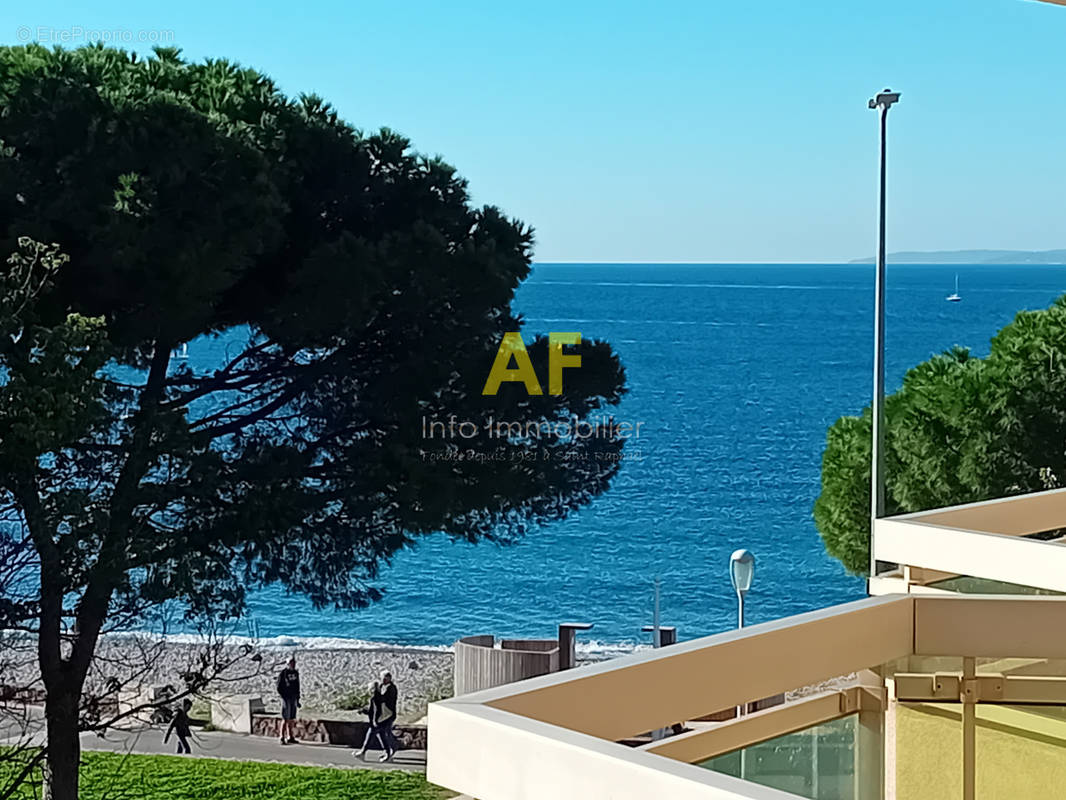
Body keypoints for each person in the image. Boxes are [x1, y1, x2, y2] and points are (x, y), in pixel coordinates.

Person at [356, 680, 385, 761]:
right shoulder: (379, 697)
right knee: (382, 737)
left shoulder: (374, 698)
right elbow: (372, 710)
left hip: (375, 722)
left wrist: (375, 721)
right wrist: (363, 710)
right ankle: (388, 752)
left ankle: (362, 752)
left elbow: (375, 710)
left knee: (369, 737)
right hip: (379, 721)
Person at [276, 656, 301, 745]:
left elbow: (297, 686)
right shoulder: (284, 673)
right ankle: (281, 736)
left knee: (291, 719)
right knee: (285, 718)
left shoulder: (295, 673)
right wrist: (283, 695)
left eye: (294, 662)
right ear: (287, 663)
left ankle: (290, 736)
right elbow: (279, 686)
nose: (293, 664)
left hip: (293, 697)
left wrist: (297, 698)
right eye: (291, 662)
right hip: (286, 698)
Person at [376, 671, 398, 761]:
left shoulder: (391, 688)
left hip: (389, 714)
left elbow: (385, 699)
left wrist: (377, 695)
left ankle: (391, 749)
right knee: (383, 733)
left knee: (386, 733)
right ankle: (389, 749)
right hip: (383, 714)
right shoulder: (382, 687)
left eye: (385, 678)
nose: (383, 680)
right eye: (382, 678)